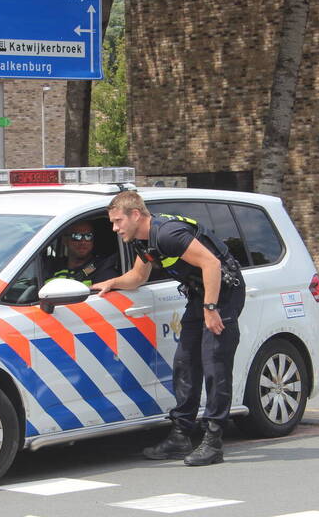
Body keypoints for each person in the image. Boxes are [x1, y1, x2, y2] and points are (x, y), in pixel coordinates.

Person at [93, 190, 245, 466]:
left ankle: (213, 441)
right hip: (200, 295)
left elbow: (211, 263)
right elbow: (138, 276)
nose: (114, 228)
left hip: (222, 294)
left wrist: (211, 309)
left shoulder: (167, 234)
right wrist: (112, 283)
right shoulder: (143, 241)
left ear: (135, 215)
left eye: (117, 221)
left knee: (215, 366)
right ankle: (180, 436)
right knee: (185, 363)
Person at [47, 221, 118, 286]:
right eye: (77, 236)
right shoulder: (50, 267)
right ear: (65, 240)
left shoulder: (102, 270)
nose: (83, 242)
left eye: (88, 236)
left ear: (93, 241)